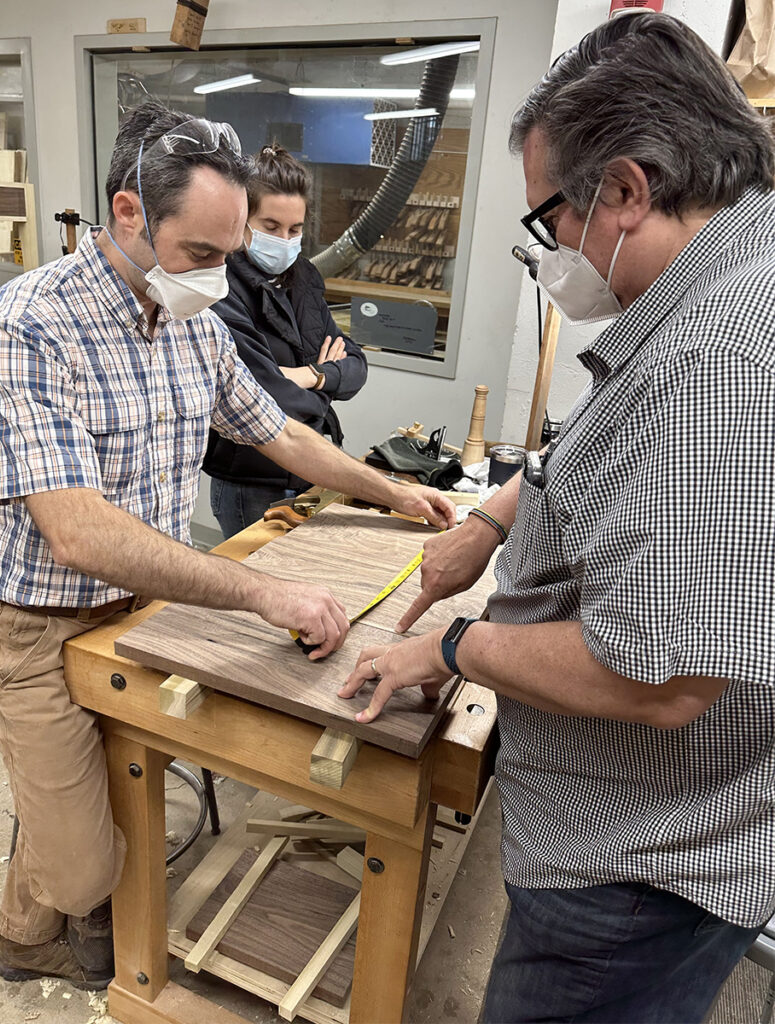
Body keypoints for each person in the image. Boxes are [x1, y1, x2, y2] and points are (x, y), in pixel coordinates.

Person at [338, 14, 775, 1023]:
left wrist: (455, 645)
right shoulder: (712, 290)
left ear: (624, 191)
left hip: (632, 866)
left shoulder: (720, 356)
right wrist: (491, 522)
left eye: (548, 221)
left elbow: (655, 674)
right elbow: (612, 436)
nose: (549, 254)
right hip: (651, 828)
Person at [0, 100, 454, 991]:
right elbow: (74, 531)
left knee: (126, 790)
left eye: (231, 255)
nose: (220, 277)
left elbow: (281, 434)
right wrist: (263, 594)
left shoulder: (192, 317)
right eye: (201, 253)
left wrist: (394, 491)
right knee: (84, 868)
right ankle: (34, 931)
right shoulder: (26, 323)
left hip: (141, 607)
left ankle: (43, 880)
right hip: (37, 626)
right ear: (128, 213)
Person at [203, 143, 368, 537]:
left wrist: (309, 376)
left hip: (311, 470)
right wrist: (325, 382)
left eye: (294, 230)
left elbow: (356, 366)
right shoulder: (219, 287)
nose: (285, 240)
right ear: (243, 221)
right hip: (251, 480)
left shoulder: (305, 278)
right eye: (271, 227)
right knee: (256, 589)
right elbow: (267, 398)